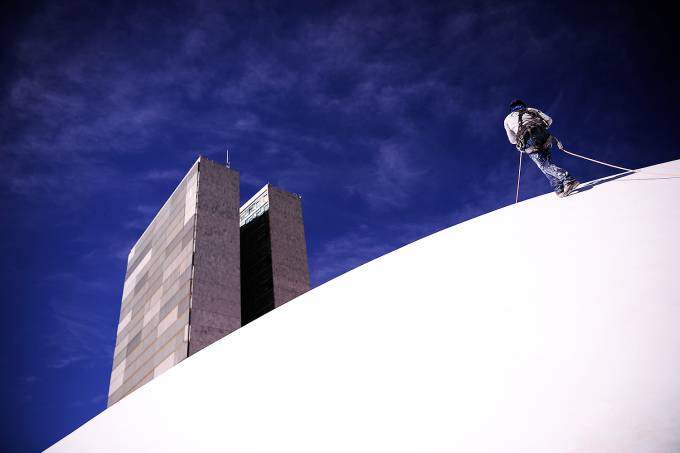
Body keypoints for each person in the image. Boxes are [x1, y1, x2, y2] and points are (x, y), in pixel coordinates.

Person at [504, 99, 580, 198]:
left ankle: (568, 180)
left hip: (528, 138)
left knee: (543, 165)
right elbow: (549, 120)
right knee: (546, 164)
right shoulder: (530, 109)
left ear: (511, 108)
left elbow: (512, 140)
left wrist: (519, 142)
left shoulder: (507, 119)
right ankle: (559, 189)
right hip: (544, 136)